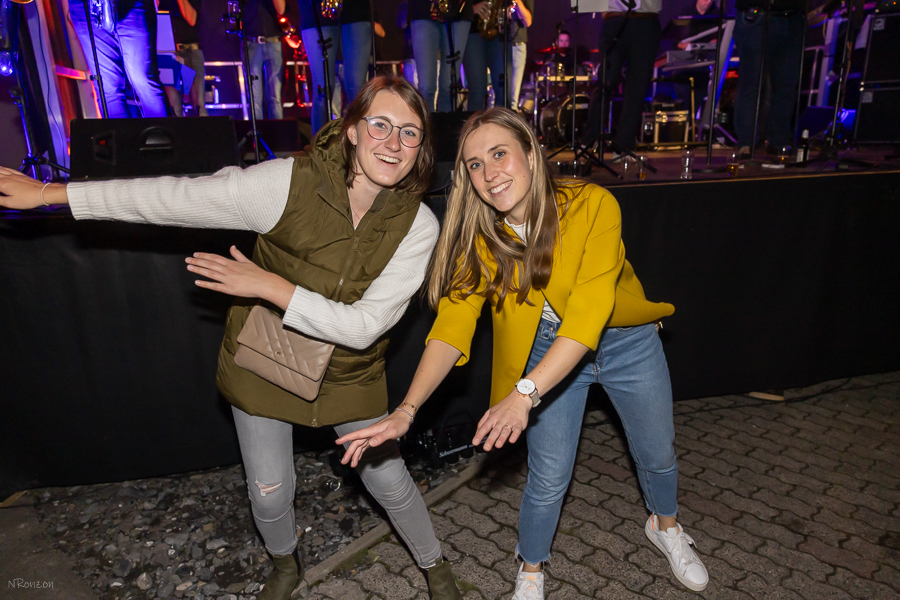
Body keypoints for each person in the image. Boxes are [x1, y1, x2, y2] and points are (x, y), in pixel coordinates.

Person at [0, 76, 462, 600]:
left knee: (390, 480)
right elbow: (172, 196)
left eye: (409, 132)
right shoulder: (285, 184)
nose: (394, 142)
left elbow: (364, 328)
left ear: (421, 147)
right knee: (269, 493)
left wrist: (268, 285)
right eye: (380, 125)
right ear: (353, 130)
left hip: (347, 373)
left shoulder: (417, 227)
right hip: (266, 359)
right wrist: (50, 193)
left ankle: (435, 564)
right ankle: (285, 564)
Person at [337, 108, 710, 599]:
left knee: (658, 453)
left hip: (625, 341)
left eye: (499, 154)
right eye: (474, 164)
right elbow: (452, 326)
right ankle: (531, 567)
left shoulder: (592, 204)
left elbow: (588, 314)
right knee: (549, 477)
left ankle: (665, 526)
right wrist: (407, 409)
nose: (489, 173)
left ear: (531, 154)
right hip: (545, 354)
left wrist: (524, 394)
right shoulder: (481, 240)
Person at [63, 0, 169, 118]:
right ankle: (121, 131)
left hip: (130, 4)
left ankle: (159, 130)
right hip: (85, 6)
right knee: (108, 88)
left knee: (144, 81)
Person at [582, 0, 662, 154]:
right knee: (606, 80)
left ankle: (623, 146)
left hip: (646, 20)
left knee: (637, 86)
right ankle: (590, 141)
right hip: (614, 19)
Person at [299, 0, 386, 134]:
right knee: (323, 90)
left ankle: (362, 142)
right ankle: (319, 144)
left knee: (357, 89)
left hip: (356, 11)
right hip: (318, 12)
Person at [733, 0, 804, 155]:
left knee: (787, 83)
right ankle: (746, 142)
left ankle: (778, 141)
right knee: (752, 82)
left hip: (793, 17)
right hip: (758, 14)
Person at [464, 0, 533, 111]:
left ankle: (501, 122)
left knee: (503, 91)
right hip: (473, 29)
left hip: (500, 32)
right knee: (477, 89)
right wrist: (471, 8)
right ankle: (475, 122)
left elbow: (527, 19)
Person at [409, 0, 472, 111]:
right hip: (423, 9)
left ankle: (446, 121)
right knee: (426, 87)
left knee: (449, 86)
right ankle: (427, 121)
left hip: (458, 10)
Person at [158, 0, 208, 116]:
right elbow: (153, 12)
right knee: (174, 108)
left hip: (190, 52)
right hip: (168, 53)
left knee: (199, 107)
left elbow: (192, 19)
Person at [244, 0, 286, 120]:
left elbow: (281, 10)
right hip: (252, 42)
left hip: (274, 42)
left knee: (275, 97)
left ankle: (277, 130)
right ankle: (257, 131)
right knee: (254, 98)